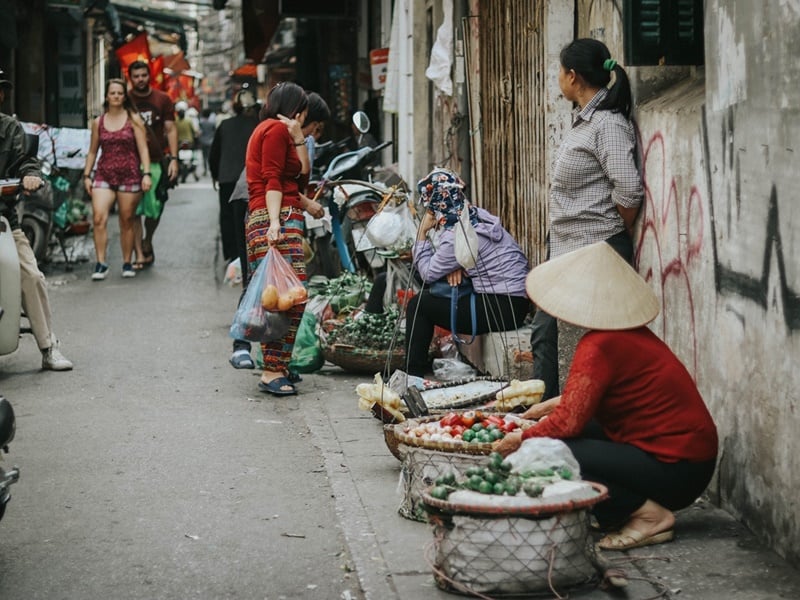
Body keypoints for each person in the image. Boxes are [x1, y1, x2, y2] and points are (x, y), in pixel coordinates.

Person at [494, 241, 718, 551]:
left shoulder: (599, 346)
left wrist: (521, 438)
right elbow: (591, 398)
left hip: (678, 469)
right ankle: (618, 508)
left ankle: (649, 516)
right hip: (690, 462)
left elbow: (567, 424)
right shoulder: (626, 336)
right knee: (567, 434)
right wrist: (547, 408)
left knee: (550, 452)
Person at [531, 38, 644, 401]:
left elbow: (629, 190)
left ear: (573, 76)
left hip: (594, 250)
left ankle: (567, 419)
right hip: (567, 249)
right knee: (544, 333)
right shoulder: (585, 122)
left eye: (560, 71)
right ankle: (542, 416)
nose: (558, 78)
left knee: (589, 345)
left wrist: (617, 230)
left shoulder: (606, 124)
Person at [406, 168, 531, 377]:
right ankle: (415, 371)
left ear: (434, 207)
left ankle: (413, 376)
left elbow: (427, 273)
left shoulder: (457, 234)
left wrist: (421, 232)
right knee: (427, 295)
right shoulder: (475, 216)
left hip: (501, 308)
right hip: (516, 304)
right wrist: (457, 265)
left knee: (419, 305)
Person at [0, 68, 72, 370]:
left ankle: (48, 346)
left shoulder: (10, 128)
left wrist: (30, 175)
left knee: (32, 276)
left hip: (3, 221)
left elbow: (26, 161)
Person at [244, 82, 309, 395]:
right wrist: (274, 222)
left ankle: (277, 364)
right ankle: (271, 370)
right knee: (287, 297)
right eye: (303, 112)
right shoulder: (274, 131)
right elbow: (272, 179)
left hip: (277, 215)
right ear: (296, 109)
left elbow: (300, 177)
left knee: (281, 297)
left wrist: (299, 139)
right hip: (275, 217)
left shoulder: (278, 131)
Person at [82, 79, 152, 280]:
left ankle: (127, 262)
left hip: (129, 175)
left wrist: (146, 174)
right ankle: (101, 263)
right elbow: (92, 151)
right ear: (107, 96)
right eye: (112, 93)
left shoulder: (134, 120)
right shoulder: (98, 122)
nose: (116, 96)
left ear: (124, 96)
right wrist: (87, 175)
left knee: (126, 220)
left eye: (120, 93)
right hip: (104, 174)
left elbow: (143, 149)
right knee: (98, 218)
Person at [127, 60, 179, 269]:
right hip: (130, 162)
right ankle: (139, 251)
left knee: (155, 208)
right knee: (133, 209)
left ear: (149, 76)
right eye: (136, 76)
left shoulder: (162, 99)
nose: (140, 79)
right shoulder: (125, 99)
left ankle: (148, 238)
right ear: (131, 78)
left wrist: (174, 159)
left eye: (143, 75)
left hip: (156, 162)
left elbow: (171, 129)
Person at [197, 108, 215, 176]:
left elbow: (199, 132)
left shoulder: (201, 123)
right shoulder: (212, 124)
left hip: (203, 142)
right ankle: (211, 170)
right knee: (210, 156)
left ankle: (205, 170)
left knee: (204, 156)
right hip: (211, 142)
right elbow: (214, 132)